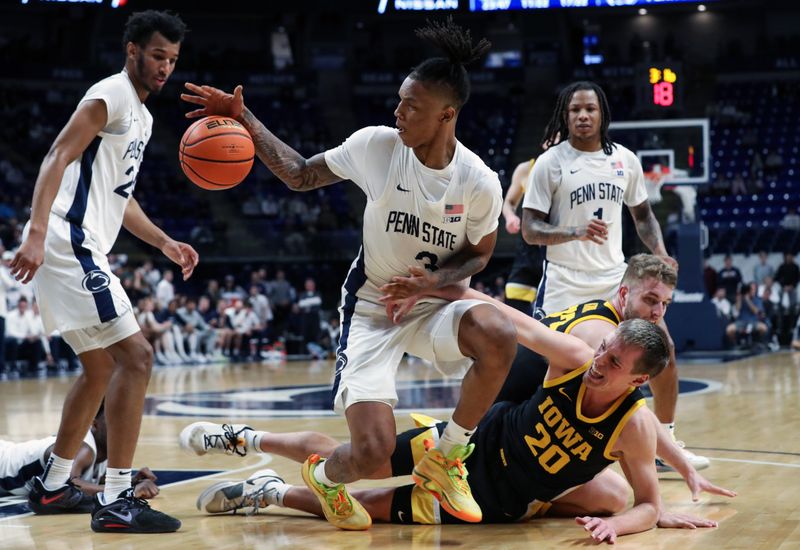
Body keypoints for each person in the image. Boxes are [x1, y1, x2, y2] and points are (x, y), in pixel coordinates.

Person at [180, 18, 516, 529]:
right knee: (372, 453)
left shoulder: (479, 181)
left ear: (447, 115)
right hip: (371, 308)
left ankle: (449, 458)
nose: (397, 112)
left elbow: (480, 255)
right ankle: (326, 479)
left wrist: (430, 285)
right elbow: (299, 174)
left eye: (412, 106)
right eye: (400, 99)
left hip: (429, 304)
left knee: (497, 332)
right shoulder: (377, 146)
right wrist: (244, 117)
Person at [185, 316, 735, 543]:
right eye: (605, 350)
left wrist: (622, 528)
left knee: (366, 512)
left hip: (499, 501)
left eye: (615, 364)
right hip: (466, 446)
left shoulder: (634, 426)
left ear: (637, 381)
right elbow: (508, 318)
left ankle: (269, 493)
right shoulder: (573, 357)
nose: (601, 362)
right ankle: (247, 438)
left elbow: (645, 503)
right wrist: (452, 291)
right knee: (352, 457)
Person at [9, 10, 195, 533]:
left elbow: (120, 196)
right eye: (158, 56)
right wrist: (37, 231)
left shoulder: (143, 114)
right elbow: (57, 154)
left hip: (82, 244)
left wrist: (164, 242)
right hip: (70, 242)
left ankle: (51, 487)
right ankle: (117, 498)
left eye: (173, 60)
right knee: (136, 357)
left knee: (100, 369)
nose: (165, 67)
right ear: (132, 50)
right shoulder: (109, 93)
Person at [484, 254, 709, 472]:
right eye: (650, 300)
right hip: (501, 426)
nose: (658, 313)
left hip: (516, 409)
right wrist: (680, 464)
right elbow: (632, 413)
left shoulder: (604, 310)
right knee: (609, 455)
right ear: (623, 294)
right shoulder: (604, 335)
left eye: (665, 304)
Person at [520, 81, 673, 316]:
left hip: (613, 278)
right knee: (556, 352)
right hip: (564, 280)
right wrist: (575, 232)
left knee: (657, 344)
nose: (583, 116)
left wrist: (660, 252)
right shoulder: (550, 162)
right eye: (575, 110)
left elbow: (643, 217)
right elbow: (529, 229)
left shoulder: (626, 159)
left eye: (590, 109)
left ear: (602, 114)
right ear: (565, 115)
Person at [0, 404, 158, 502]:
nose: (122, 429)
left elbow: (91, 479)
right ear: (94, 425)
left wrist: (130, 481)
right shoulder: (83, 447)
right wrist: (125, 492)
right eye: (114, 422)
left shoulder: (103, 451)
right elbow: (68, 487)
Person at [501, 158, 544, 314]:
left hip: (557, 252)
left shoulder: (573, 167)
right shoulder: (526, 168)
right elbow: (509, 202)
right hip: (528, 249)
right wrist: (510, 217)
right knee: (513, 308)